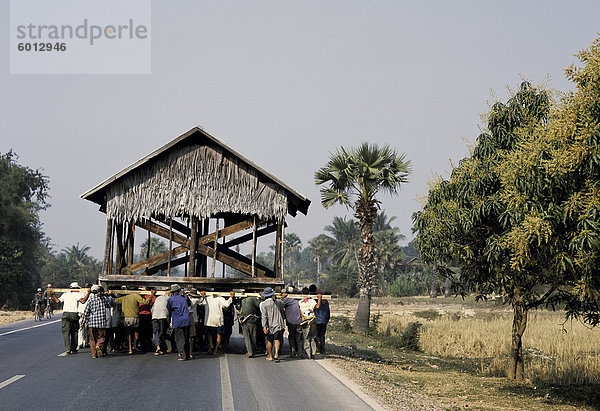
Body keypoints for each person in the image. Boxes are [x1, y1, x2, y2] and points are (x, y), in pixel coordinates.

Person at [49, 282, 90, 355]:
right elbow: (83, 301)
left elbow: (58, 301)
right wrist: (88, 294)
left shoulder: (65, 294)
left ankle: (68, 349)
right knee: (74, 331)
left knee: (66, 332)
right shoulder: (78, 294)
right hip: (74, 314)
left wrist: (53, 295)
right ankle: (73, 348)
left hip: (65, 314)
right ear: (77, 288)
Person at [115, 288, 154, 355]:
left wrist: (108, 295)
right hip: (134, 317)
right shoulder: (136, 296)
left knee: (129, 333)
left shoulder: (124, 298)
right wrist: (152, 295)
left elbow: (115, 301)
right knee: (136, 332)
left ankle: (130, 349)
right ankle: (135, 345)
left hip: (126, 318)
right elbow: (145, 302)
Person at [82, 285, 116, 358]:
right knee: (101, 337)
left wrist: (83, 322)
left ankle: (94, 354)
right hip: (102, 323)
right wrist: (108, 296)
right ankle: (98, 345)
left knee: (92, 339)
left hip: (92, 323)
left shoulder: (90, 300)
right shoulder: (104, 299)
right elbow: (112, 304)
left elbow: (86, 312)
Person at [200, 289, 235, 355]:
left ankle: (211, 346)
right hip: (217, 320)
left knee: (209, 333)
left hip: (209, 320)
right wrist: (231, 297)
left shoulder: (207, 299)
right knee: (219, 334)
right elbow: (227, 304)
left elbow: (200, 303)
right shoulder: (221, 299)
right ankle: (215, 350)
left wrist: (202, 296)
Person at [259, 287, 285, 362]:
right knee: (277, 339)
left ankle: (270, 356)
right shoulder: (277, 302)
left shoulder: (263, 304)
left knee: (269, 340)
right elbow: (283, 305)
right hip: (278, 324)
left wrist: (264, 326)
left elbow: (264, 316)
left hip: (269, 325)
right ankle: (276, 354)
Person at [167, 284, 191, 361]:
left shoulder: (171, 299)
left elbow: (169, 309)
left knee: (179, 339)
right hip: (186, 320)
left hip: (178, 321)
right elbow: (189, 304)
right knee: (186, 338)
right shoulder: (185, 297)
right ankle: (187, 355)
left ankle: (182, 355)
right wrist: (184, 294)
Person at [281, 290, 303, 358]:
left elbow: (279, 304)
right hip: (299, 321)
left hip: (291, 322)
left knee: (291, 337)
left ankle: (293, 353)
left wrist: (282, 297)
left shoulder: (286, 300)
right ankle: (300, 353)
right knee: (298, 338)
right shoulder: (297, 300)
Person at [299, 288, 318, 359]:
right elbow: (318, 306)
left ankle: (308, 353)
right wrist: (319, 298)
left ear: (302, 294)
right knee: (312, 337)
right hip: (312, 320)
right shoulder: (312, 301)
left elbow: (300, 310)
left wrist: (303, 316)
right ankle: (313, 352)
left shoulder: (300, 302)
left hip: (305, 321)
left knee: (306, 337)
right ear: (309, 293)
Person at [151, 289, 170, 355]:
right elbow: (169, 309)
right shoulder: (169, 299)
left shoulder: (158, 298)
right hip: (163, 316)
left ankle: (158, 346)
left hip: (155, 315)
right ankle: (162, 347)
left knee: (156, 331)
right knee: (161, 332)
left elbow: (152, 308)